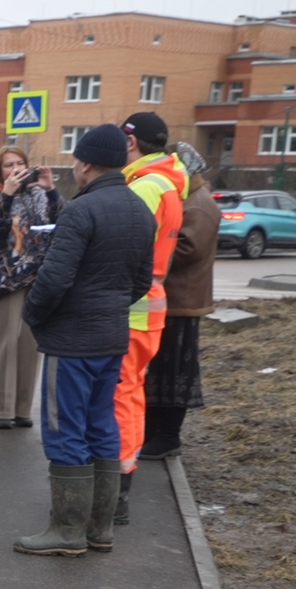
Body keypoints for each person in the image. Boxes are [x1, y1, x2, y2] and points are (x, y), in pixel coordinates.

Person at [13, 123, 156, 557]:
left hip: (72, 340)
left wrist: (33, 315)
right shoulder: (139, 210)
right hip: (112, 336)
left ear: (87, 163)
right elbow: (142, 281)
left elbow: (54, 278)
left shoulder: (80, 210)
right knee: (102, 426)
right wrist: (110, 307)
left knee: (64, 430)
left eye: (76, 159)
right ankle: (100, 529)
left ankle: (67, 531)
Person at [111, 111, 188, 522]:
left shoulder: (144, 188)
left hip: (131, 308)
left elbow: (121, 250)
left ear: (130, 141)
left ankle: (117, 490)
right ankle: (123, 476)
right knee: (133, 395)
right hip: (150, 307)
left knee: (121, 396)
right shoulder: (170, 183)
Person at [141, 142, 221, 460]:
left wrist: (155, 248)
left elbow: (187, 249)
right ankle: (156, 433)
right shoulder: (189, 198)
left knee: (175, 373)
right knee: (162, 371)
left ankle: (168, 436)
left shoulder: (198, 203)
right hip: (173, 298)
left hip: (182, 301)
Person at [0, 146, 64, 429]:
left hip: (37, 278)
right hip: (6, 278)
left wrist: (51, 190)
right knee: (5, 344)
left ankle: (22, 408)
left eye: (19, 163)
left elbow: (62, 222)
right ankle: (3, 410)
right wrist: (7, 194)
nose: (14, 169)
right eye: (7, 165)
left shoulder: (39, 195)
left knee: (30, 344)